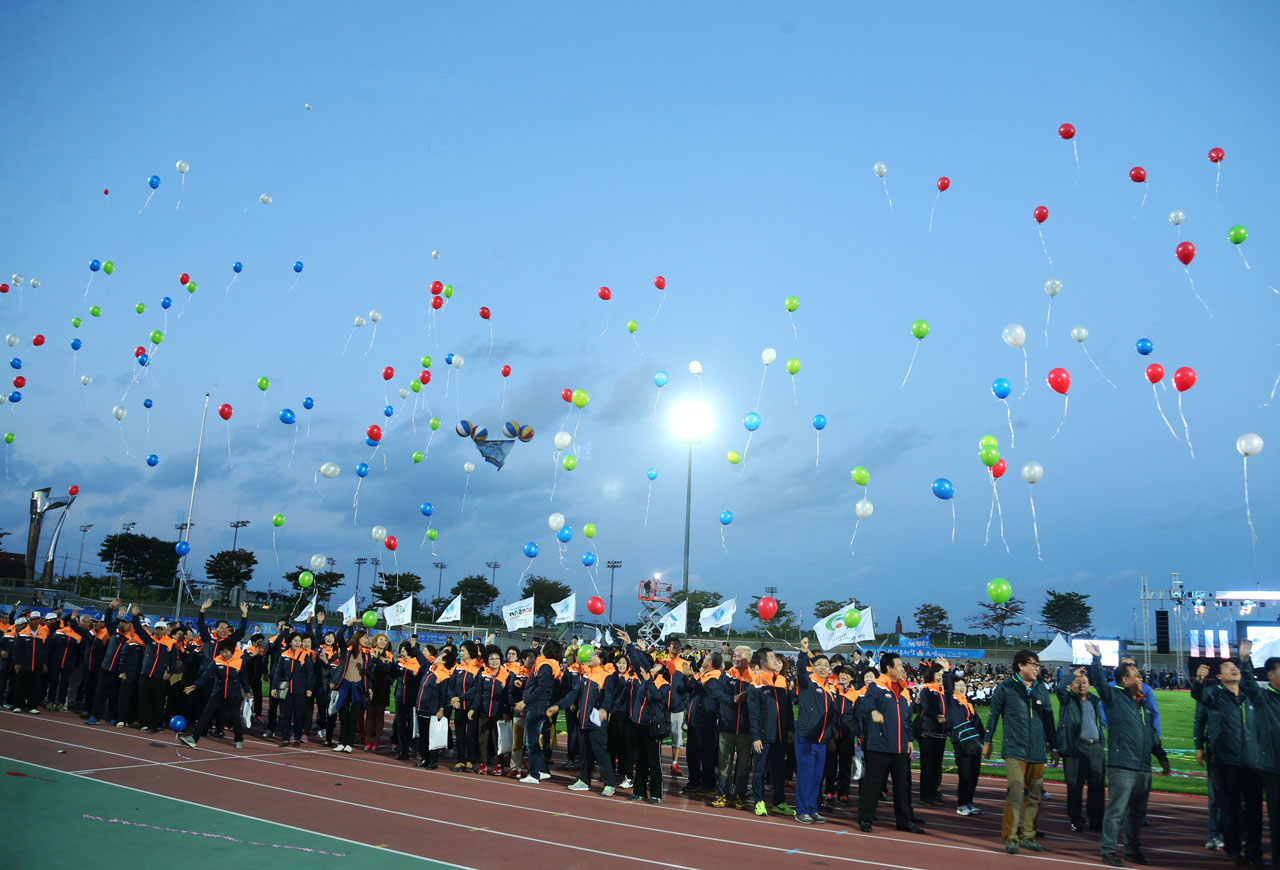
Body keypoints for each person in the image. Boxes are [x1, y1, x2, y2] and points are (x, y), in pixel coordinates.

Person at [1087, 643, 1169, 867]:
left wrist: (1161, 756)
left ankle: (1132, 851)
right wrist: (1096, 659)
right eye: (1135, 675)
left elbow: (1150, 734)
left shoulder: (1143, 705)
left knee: (1136, 814)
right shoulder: (1113, 697)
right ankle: (1108, 850)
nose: (1140, 678)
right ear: (1124, 680)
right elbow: (1100, 683)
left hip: (1143, 766)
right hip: (1122, 765)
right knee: (1116, 811)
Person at [1192, 639, 1264, 867]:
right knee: (1229, 807)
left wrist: (1245, 660)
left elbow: (1251, 681)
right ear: (1220, 678)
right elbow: (1198, 697)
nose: (1233, 669)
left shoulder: (1250, 696)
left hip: (1252, 762)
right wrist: (1200, 681)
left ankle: (1253, 852)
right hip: (1225, 761)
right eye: (1227, 668)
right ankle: (1232, 846)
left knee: (1253, 811)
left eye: (1235, 667)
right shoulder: (1213, 695)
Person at [984, 648, 1056, 854]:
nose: (1037, 668)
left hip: (1037, 750)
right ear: (1021, 665)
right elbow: (993, 714)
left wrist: (1054, 745)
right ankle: (1011, 837)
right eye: (1033, 664)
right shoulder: (1006, 687)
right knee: (1016, 792)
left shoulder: (1041, 688)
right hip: (1015, 748)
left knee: (1035, 796)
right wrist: (987, 741)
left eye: (1038, 664)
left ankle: (1029, 836)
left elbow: (1049, 719)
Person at [856, 652, 922, 834]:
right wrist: (874, 712)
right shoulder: (877, 687)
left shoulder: (904, 690)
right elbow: (865, 704)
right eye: (899, 665)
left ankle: (905, 821)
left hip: (900, 746)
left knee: (903, 785)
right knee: (873, 783)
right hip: (880, 745)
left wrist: (909, 739)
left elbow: (908, 719)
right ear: (889, 668)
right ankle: (865, 818)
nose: (903, 668)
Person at [553, 644, 617, 795]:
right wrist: (558, 706)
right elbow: (574, 694)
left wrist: (604, 709)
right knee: (584, 752)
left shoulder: (606, 676)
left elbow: (609, 696)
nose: (590, 656)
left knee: (600, 752)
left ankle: (609, 784)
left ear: (601, 660)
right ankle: (584, 780)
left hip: (596, 721)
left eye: (594, 655)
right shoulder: (586, 675)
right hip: (583, 720)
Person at [1052, 665, 1105, 833]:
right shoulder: (1067, 699)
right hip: (1075, 748)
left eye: (1084, 682)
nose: (1081, 685)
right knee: (1075, 787)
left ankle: (1096, 819)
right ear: (1071, 685)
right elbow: (1058, 687)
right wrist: (1071, 675)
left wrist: (1101, 743)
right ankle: (1076, 819)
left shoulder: (1094, 701)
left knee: (1097, 787)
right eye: (1077, 682)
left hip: (1095, 747)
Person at [792, 638, 838, 825]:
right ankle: (801, 810)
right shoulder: (808, 683)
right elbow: (801, 673)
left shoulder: (831, 688)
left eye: (826, 665)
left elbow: (832, 715)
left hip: (823, 740)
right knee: (805, 775)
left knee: (817, 777)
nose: (823, 667)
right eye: (818, 664)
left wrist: (832, 734)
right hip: (806, 737)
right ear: (813, 666)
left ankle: (812, 809)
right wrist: (803, 653)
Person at [749, 647, 795, 816]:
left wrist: (790, 729)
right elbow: (753, 714)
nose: (776, 660)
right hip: (763, 736)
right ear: (763, 662)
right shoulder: (756, 684)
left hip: (781, 735)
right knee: (760, 770)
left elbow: (788, 708)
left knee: (779, 771)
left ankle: (779, 802)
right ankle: (759, 802)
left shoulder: (782, 680)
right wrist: (755, 737)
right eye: (772, 657)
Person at [181, 637, 250, 749]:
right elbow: (206, 675)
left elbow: (244, 678)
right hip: (218, 693)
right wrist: (195, 685)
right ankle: (194, 738)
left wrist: (247, 691)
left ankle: (239, 739)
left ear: (232, 651)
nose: (224, 654)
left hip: (233, 694)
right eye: (222, 651)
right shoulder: (217, 660)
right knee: (205, 715)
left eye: (227, 651)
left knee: (235, 717)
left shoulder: (239, 662)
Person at [712, 644, 754, 809]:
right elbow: (717, 693)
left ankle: (740, 795)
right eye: (734, 655)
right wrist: (732, 699)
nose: (735, 658)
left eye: (738, 656)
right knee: (724, 764)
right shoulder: (726, 675)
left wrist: (748, 697)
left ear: (748, 659)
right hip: (726, 727)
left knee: (743, 765)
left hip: (746, 729)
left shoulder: (754, 677)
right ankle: (723, 794)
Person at [516, 639, 562, 784]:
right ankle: (542, 770)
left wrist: (526, 701)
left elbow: (542, 688)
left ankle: (534, 774)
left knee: (532, 740)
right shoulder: (546, 665)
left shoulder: (546, 665)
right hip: (539, 704)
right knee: (532, 739)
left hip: (538, 705)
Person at [941, 663, 984, 816]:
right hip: (961, 742)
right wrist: (946, 672)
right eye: (958, 685)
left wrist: (984, 742)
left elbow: (978, 724)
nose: (962, 687)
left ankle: (969, 802)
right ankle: (961, 804)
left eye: (963, 685)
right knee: (964, 774)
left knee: (974, 774)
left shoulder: (969, 704)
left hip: (974, 743)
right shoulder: (952, 702)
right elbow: (946, 688)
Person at [913, 660, 949, 807]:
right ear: (931, 675)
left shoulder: (944, 690)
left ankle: (934, 793)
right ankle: (925, 794)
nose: (940, 676)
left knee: (937, 766)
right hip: (929, 732)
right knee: (927, 766)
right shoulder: (927, 690)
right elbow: (926, 707)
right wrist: (937, 717)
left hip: (942, 734)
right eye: (937, 673)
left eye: (942, 673)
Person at [664, 636, 687, 778]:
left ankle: (674, 763)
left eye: (678, 644)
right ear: (667, 647)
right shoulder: (662, 662)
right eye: (674, 644)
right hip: (661, 706)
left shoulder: (685, 663)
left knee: (676, 735)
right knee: (657, 733)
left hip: (677, 706)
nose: (677, 647)